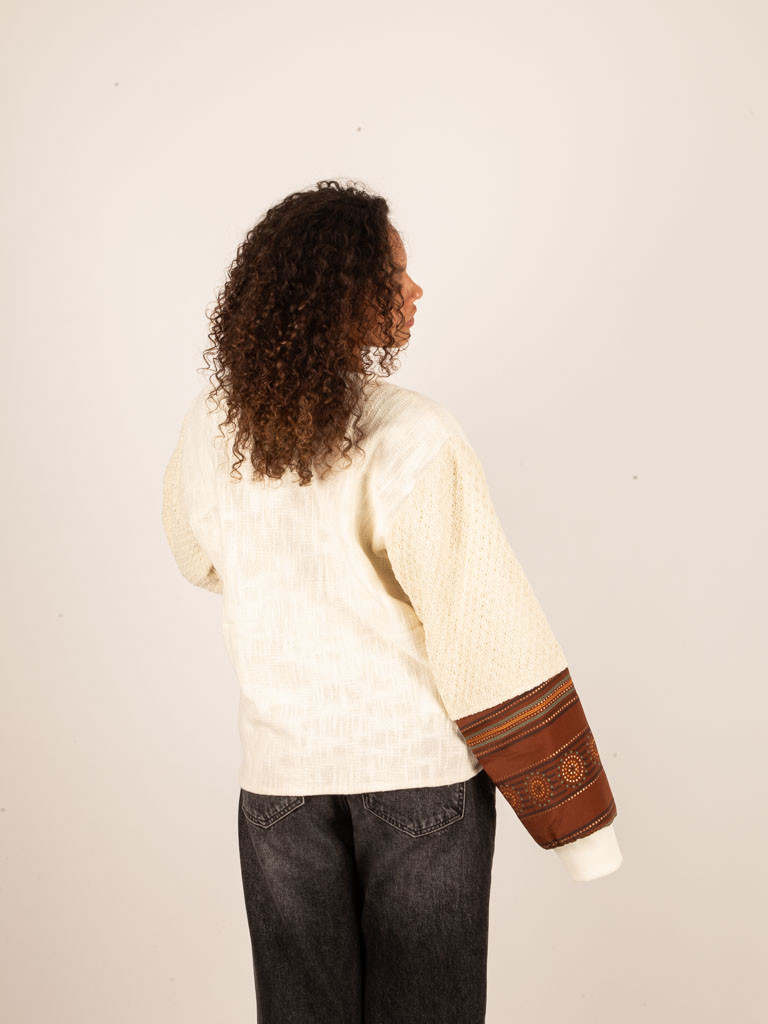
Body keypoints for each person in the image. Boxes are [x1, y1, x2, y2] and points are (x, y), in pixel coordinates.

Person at [161, 179, 622, 1024]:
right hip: (418, 781)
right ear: (341, 293)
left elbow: (196, 555)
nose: (415, 290)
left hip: (280, 784)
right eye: (395, 274)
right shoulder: (414, 435)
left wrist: (289, 582)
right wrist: (582, 831)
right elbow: (484, 629)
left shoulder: (210, 427)